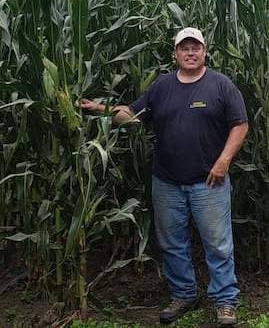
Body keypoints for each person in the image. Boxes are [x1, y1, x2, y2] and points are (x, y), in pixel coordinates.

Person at [78, 27, 249, 326]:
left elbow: (240, 125)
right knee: (172, 243)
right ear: (176, 54)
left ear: (205, 51)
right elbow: (132, 115)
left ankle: (225, 301)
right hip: (167, 182)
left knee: (218, 244)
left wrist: (223, 161)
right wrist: (100, 109)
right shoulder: (162, 86)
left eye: (196, 47)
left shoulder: (220, 85)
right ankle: (184, 294)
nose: (191, 52)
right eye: (185, 48)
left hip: (209, 182)